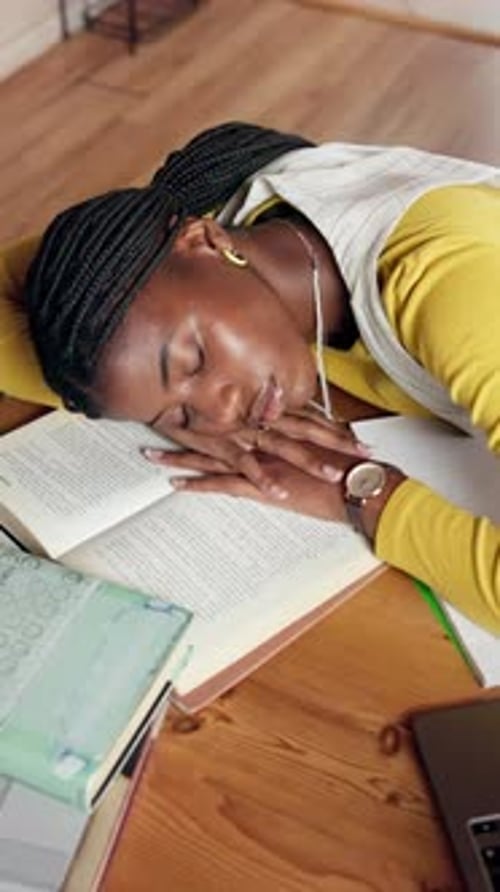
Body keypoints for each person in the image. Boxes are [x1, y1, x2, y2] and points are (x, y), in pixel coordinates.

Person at [2, 121, 499, 630]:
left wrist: (362, 495)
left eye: (194, 359)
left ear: (207, 240)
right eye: (180, 413)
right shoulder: (211, 228)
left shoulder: (446, 285)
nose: (220, 413)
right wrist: (162, 409)